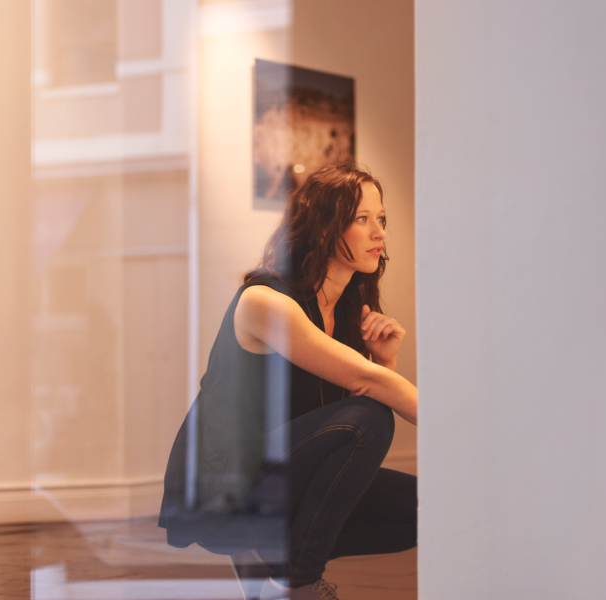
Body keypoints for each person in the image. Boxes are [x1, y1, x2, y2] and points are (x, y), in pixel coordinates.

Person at [158, 163, 418, 600]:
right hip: (225, 486)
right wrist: (459, 443)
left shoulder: (348, 314)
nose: (380, 233)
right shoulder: (264, 301)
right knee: (369, 417)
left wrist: (385, 360)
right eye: (362, 219)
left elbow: (351, 408)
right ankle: (293, 584)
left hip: (282, 475)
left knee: (422, 506)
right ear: (321, 229)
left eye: (382, 219)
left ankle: (276, 570)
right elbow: (366, 393)